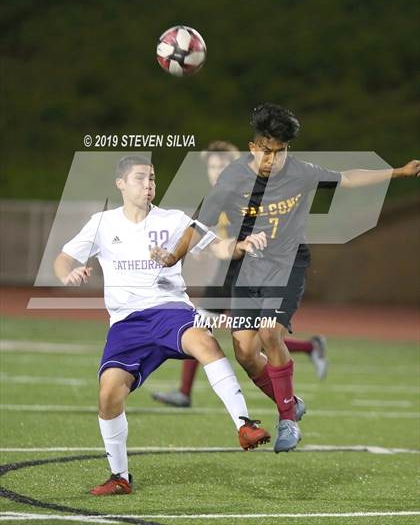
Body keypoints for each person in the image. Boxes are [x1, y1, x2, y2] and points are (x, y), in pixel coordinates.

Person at [151, 103, 420, 453]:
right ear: (252, 147)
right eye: (266, 150)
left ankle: (287, 420)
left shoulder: (299, 172)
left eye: (280, 152)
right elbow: (199, 224)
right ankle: (291, 401)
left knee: (268, 333)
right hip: (247, 270)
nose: (273, 159)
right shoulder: (233, 178)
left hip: (287, 265)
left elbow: (348, 178)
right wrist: (172, 256)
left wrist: (398, 172)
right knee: (245, 352)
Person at [53, 154, 270, 497]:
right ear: (121, 184)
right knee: (108, 394)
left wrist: (238, 245)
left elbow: (216, 246)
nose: (149, 184)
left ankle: (244, 424)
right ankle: (120, 477)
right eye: (140, 178)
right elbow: (63, 258)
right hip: (127, 324)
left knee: (205, 342)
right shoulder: (102, 223)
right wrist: (68, 273)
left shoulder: (174, 219)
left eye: (152, 177)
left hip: (171, 310)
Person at [152, 141, 326, 410]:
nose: (216, 170)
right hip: (230, 269)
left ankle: (187, 393)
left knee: (239, 334)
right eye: (212, 166)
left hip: (250, 270)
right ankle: (308, 351)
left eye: (222, 165)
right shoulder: (220, 192)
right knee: (235, 333)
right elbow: (204, 233)